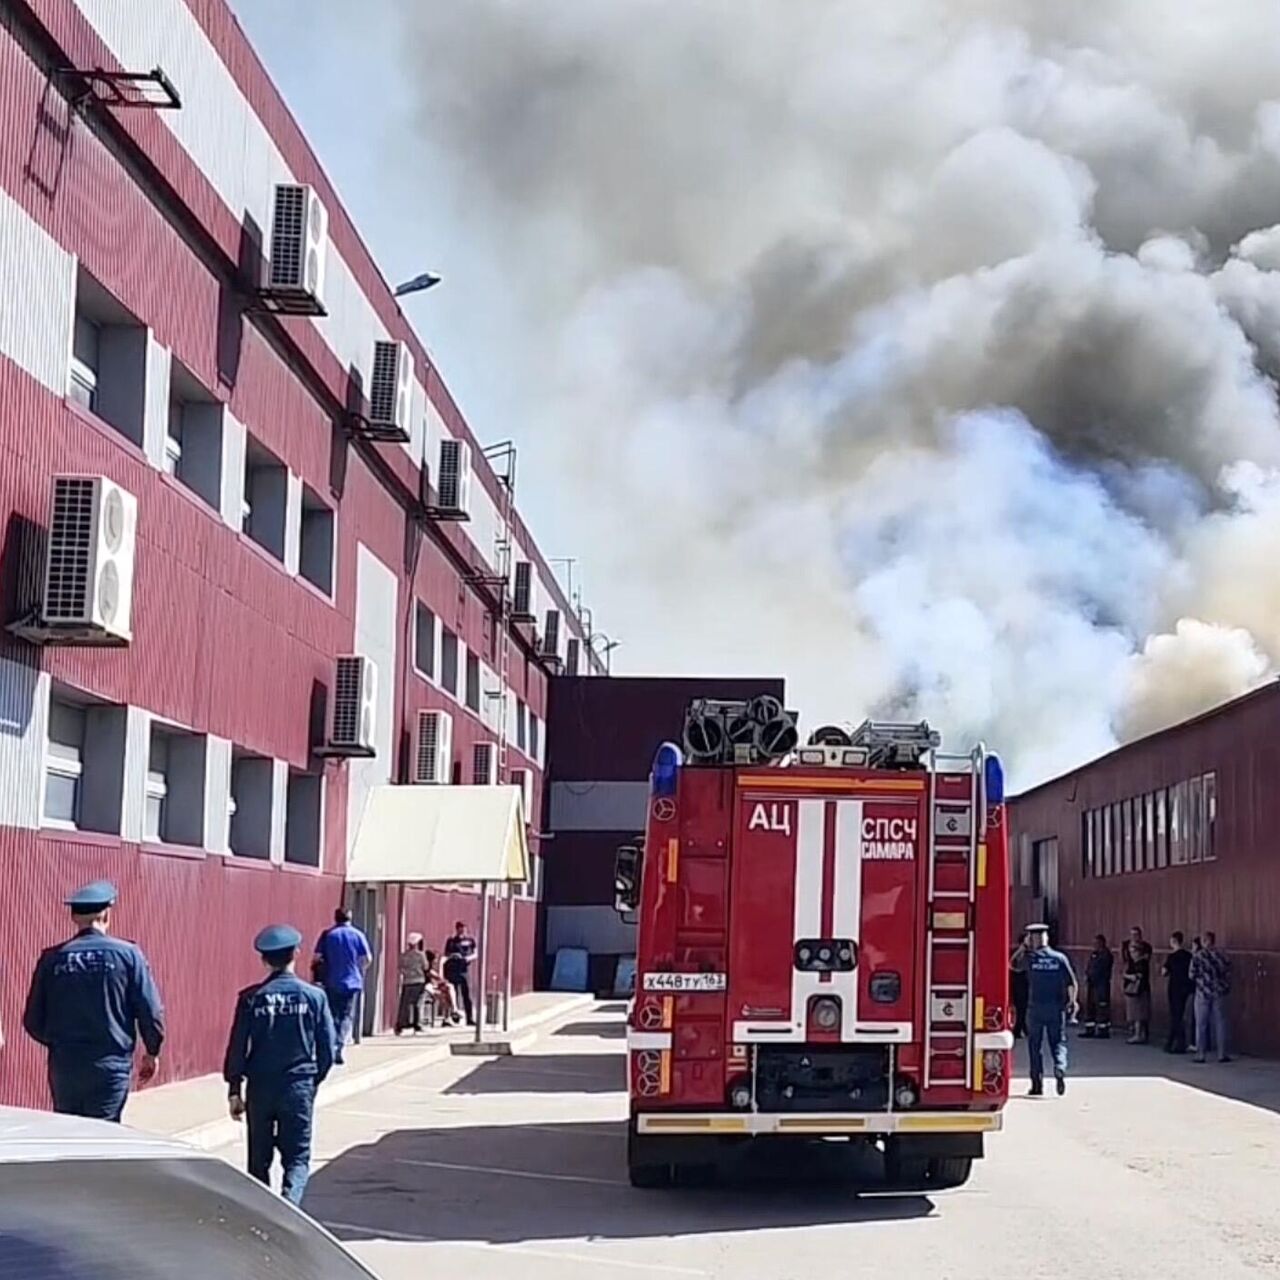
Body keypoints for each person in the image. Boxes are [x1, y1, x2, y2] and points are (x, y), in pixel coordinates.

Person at [22, 880, 164, 1122]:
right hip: (110, 1064)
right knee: (103, 1135)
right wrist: (152, 1051)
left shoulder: (52, 958)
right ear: (107, 914)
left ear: (74, 917)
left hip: (66, 1065)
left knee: (68, 1132)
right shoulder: (128, 955)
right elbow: (150, 1011)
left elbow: (33, 1020)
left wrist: (61, 1044)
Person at [224, 924, 336, 1206]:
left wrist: (235, 1089)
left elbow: (237, 1046)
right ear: (296, 953)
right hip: (298, 1084)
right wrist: (312, 1081)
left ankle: (264, 1214)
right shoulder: (314, 996)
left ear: (264, 959)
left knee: (258, 1160)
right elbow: (327, 1048)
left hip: (261, 1087)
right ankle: (290, 1207)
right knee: (297, 1158)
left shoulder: (250, 998)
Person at [1024, 923, 1078, 1097]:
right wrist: (1072, 1001)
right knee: (1058, 1042)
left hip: (1035, 1008)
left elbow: (1011, 965)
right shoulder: (1059, 958)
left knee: (1035, 1046)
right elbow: (1071, 983)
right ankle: (1060, 1067)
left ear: (1032, 939)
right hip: (1056, 1008)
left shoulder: (1031, 958)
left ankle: (1037, 1084)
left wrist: (1023, 947)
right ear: (1047, 938)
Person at [312, 908, 371, 1064]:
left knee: (331, 1015)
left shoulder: (328, 935)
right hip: (351, 981)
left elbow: (317, 957)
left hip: (331, 980)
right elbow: (367, 958)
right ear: (350, 918)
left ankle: (330, 1046)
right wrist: (359, 970)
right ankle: (339, 1046)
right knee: (346, 1016)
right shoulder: (358, 935)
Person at [1190, 930, 1232, 1064]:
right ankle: (1222, 1054)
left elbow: (1191, 974)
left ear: (1204, 941)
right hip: (1219, 992)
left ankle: (1201, 1054)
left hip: (1203, 992)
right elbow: (1228, 972)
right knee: (1220, 1023)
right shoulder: (1221, 955)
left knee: (1201, 1024)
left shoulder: (1197, 956)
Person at [1162, 932, 1194, 1054]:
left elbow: (1164, 972)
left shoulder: (1172, 957)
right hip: (1186, 987)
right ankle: (1176, 1041)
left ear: (1174, 941)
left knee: (1175, 1015)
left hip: (1175, 987)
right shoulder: (1188, 956)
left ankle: (1176, 1042)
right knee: (1180, 1014)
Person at [1121, 926, 1152, 1044]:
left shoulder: (1143, 959)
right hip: (1130, 985)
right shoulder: (1126, 948)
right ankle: (1136, 1032)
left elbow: (1139, 975)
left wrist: (1127, 976)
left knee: (1139, 1011)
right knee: (1133, 1010)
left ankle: (1140, 1034)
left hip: (1140, 986)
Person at [443, 920, 478, 1026]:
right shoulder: (451, 941)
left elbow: (475, 953)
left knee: (466, 995)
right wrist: (453, 956)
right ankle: (453, 1018)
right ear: (456, 929)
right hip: (453, 970)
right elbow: (446, 954)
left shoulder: (470, 941)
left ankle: (470, 1018)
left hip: (464, 970)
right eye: (459, 928)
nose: (461, 930)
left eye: (463, 928)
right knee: (453, 994)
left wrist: (468, 958)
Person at [1082, 934, 1114, 1039]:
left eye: (1097, 943)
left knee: (1102, 1006)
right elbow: (1090, 967)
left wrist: (1093, 976)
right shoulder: (1094, 954)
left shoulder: (1106, 955)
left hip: (1102, 984)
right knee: (1090, 1006)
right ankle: (1089, 1029)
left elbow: (1102, 970)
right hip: (1092, 984)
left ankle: (1103, 1030)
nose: (1094, 945)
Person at [395, 933, 428, 1035]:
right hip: (419, 981)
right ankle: (417, 1025)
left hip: (407, 981)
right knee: (418, 1003)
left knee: (404, 1004)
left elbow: (400, 968)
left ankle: (400, 1025)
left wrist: (407, 973)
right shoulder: (421, 955)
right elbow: (425, 967)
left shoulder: (403, 955)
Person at [425, 948, 461, 1024]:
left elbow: (440, 981)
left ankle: (454, 1010)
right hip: (428, 988)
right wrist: (441, 964)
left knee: (450, 987)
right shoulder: (428, 969)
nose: (436, 961)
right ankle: (448, 1017)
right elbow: (438, 977)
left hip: (435, 987)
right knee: (445, 996)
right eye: (435, 959)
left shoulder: (433, 968)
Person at [1009, 934, 1030, 1039]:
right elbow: (1010, 963)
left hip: (1027, 980)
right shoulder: (1017, 951)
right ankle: (1018, 1029)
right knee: (1020, 1006)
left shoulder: (1031, 952)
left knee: (1025, 1007)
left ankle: (1024, 1028)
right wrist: (1020, 950)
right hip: (1018, 979)